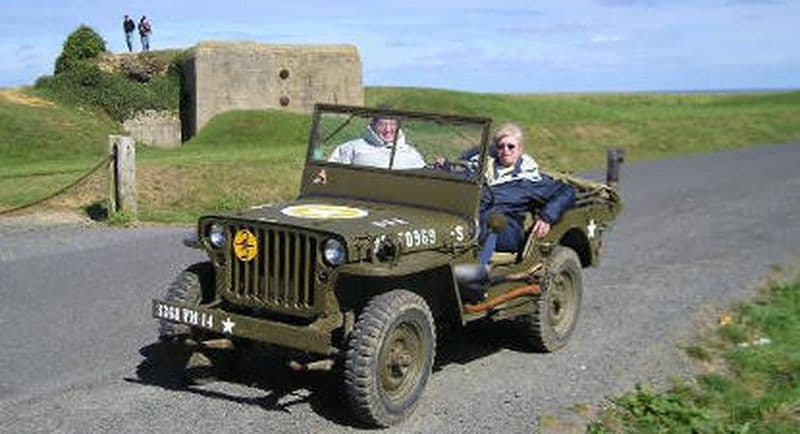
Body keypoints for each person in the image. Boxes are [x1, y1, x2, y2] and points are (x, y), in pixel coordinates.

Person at [477, 123, 576, 264]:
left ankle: (477, 269)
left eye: (511, 146)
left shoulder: (528, 180)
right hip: (474, 222)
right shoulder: (481, 168)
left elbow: (567, 190)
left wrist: (547, 217)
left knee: (485, 222)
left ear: (520, 149)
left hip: (505, 230)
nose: (505, 151)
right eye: (501, 146)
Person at [328, 115, 426, 169]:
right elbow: (330, 171)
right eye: (382, 124)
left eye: (392, 124)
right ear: (373, 125)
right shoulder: (351, 148)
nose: (388, 129)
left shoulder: (412, 154)